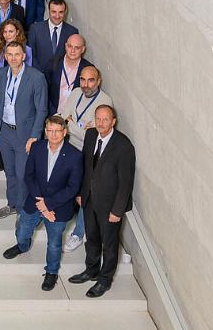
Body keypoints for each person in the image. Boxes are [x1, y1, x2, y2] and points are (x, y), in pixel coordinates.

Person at [3, 115, 84, 291]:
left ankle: (51, 272)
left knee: (54, 244)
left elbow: (72, 188)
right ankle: (23, 246)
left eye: (57, 131)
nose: (53, 134)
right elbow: (29, 176)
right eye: (50, 131)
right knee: (22, 231)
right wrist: (41, 203)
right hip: (35, 201)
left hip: (58, 208)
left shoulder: (75, 155)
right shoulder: (37, 147)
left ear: (64, 132)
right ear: (45, 132)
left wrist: (48, 205)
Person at [69, 106, 136, 298]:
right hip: (90, 199)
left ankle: (104, 280)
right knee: (91, 238)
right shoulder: (91, 135)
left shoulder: (123, 145)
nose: (101, 123)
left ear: (113, 121)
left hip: (110, 205)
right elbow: (86, 167)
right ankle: (91, 270)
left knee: (109, 244)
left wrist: (117, 210)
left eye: (105, 119)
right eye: (98, 119)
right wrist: (81, 193)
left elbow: (126, 182)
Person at [0, 40, 49, 220]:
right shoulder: (1, 74)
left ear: (24, 56)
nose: (13, 58)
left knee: (22, 173)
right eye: (10, 54)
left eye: (17, 54)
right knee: (9, 171)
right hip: (4, 131)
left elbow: (42, 109)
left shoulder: (37, 77)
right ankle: (12, 204)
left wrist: (34, 136)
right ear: (5, 56)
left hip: (24, 133)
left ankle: (23, 211)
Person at [58, 66, 112, 252]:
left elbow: (92, 136)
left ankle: (78, 234)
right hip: (69, 148)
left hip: (88, 153)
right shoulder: (75, 93)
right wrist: (75, 125)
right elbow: (63, 118)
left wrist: (71, 124)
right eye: (82, 79)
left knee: (86, 194)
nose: (86, 85)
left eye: (90, 80)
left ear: (98, 81)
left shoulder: (105, 101)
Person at [27, 0, 80, 71]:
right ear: (49, 11)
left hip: (62, 75)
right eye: (54, 12)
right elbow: (30, 55)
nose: (57, 16)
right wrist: (40, 74)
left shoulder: (72, 32)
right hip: (39, 74)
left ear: (65, 12)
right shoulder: (35, 29)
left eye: (61, 12)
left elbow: (74, 58)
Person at [45, 34, 92, 114]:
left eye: (77, 48)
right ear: (65, 46)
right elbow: (45, 90)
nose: (72, 51)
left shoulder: (87, 69)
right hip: (53, 114)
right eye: (70, 46)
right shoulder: (53, 64)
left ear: (83, 49)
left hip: (74, 116)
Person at [0, 19, 34, 90]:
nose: (7, 35)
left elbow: (28, 73)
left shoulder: (27, 50)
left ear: (17, 32)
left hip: (19, 87)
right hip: (0, 85)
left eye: (11, 31)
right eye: (5, 32)